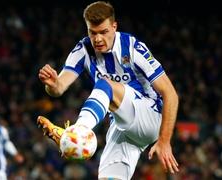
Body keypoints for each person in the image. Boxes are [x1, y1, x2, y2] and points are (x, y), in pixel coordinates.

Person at [37, 1, 179, 179]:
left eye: (103, 32)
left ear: (114, 27)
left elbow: (171, 94)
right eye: (92, 32)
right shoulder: (83, 49)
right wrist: (52, 84)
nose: (97, 39)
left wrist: (164, 140)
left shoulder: (133, 47)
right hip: (122, 126)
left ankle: (76, 133)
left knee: (106, 84)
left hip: (150, 117)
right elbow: (59, 89)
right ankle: (74, 135)